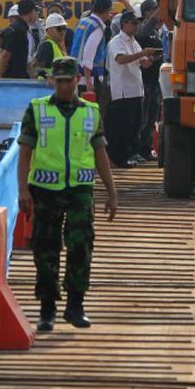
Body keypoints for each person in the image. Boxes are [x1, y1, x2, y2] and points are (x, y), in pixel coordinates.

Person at [17, 57, 119, 331]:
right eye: (59, 81)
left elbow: (100, 152)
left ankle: (75, 306)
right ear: (52, 81)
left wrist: (112, 191)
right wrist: (22, 190)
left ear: (77, 80)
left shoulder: (91, 112)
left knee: (81, 248)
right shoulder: (36, 110)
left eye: (68, 80)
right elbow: (25, 151)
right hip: (45, 190)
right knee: (45, 248)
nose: (63, 86)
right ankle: (47, 308)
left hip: (80, 191)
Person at [105, 10, 157, 168]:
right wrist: (143, 53)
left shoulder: (134, 42)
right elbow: (121, 59)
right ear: (124, 24)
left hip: (136, 90)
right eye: (134, 23)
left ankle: (128, 154)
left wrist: (152, 58)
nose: (137, 26)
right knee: (122, 126)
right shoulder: (116, 42)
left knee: (135, 125)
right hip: (122, 91)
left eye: (138, 23)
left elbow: (143, 63)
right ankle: (118, 157)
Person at [135, 0, 165, 161]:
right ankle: (137, 149)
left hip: (156, 80)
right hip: (145, 80)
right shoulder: (143, 28)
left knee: (152, 117)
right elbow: (143, 32)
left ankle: (146, 150)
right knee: (143, 116)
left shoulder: (157, 31)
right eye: (153, 10)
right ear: (146, 12)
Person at [72, 0, 115, 104]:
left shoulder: (84, 22)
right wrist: (88, 81)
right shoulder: (97, 27)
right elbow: (88, 54)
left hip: (76, 73)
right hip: (89, 77)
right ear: (107, 10)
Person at [0, 0, 39, 79]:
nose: (37, 15)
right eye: (35, 11)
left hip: (16, 80)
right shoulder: (19, 30)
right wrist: (0, 78)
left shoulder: (14, 28)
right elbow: (5, 55)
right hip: (14, 81)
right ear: (31, 12)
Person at [33, 13, 70, 79]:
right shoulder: (47, 46)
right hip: (46, 87)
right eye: (59, 28)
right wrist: (47, 76)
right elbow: (35, 67)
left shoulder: (58, 45)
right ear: (49, 30)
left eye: (64, 28)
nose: (62, 32)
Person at [0, 3, 19, 75]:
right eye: (17, 18)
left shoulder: (25, 33)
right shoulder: (1, 35)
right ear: (10, 19)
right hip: (1, 76)